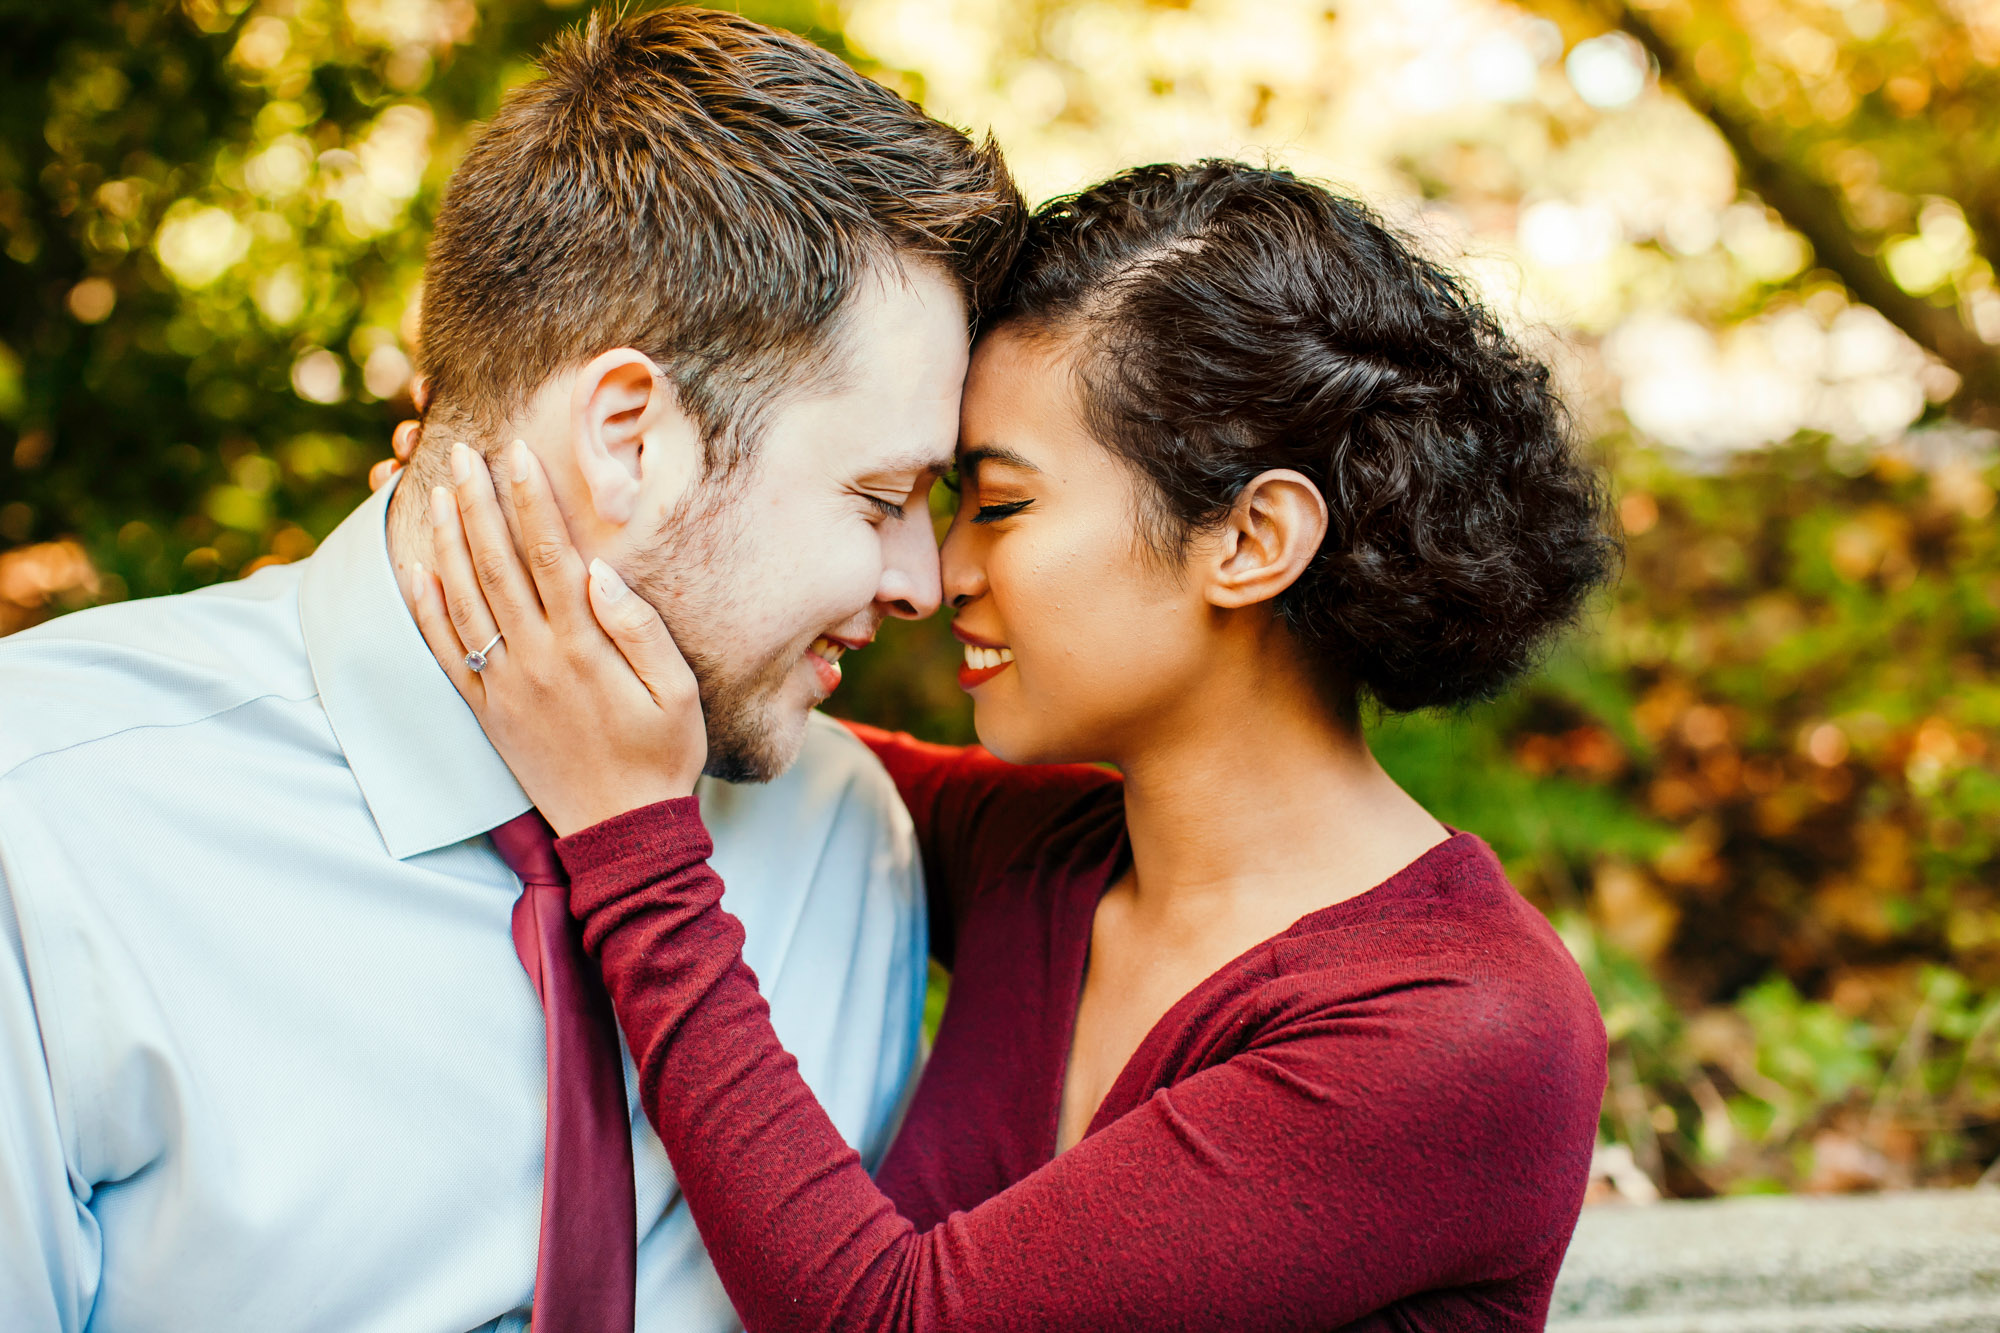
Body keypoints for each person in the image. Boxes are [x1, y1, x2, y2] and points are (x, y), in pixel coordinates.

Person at [413, 160, 1622, 1331]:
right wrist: (540, 554)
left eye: (999, 504)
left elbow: (889, 1317)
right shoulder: (1041, 855)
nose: (941, 575)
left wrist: (633, 847)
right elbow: (672, 712)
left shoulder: (1464, 1026)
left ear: (1251, 538)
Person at [0, 10, 1022, 1332]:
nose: (920, 582)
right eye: (881, 495)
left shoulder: (842, 844)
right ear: (626, 439)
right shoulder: (49, 821)